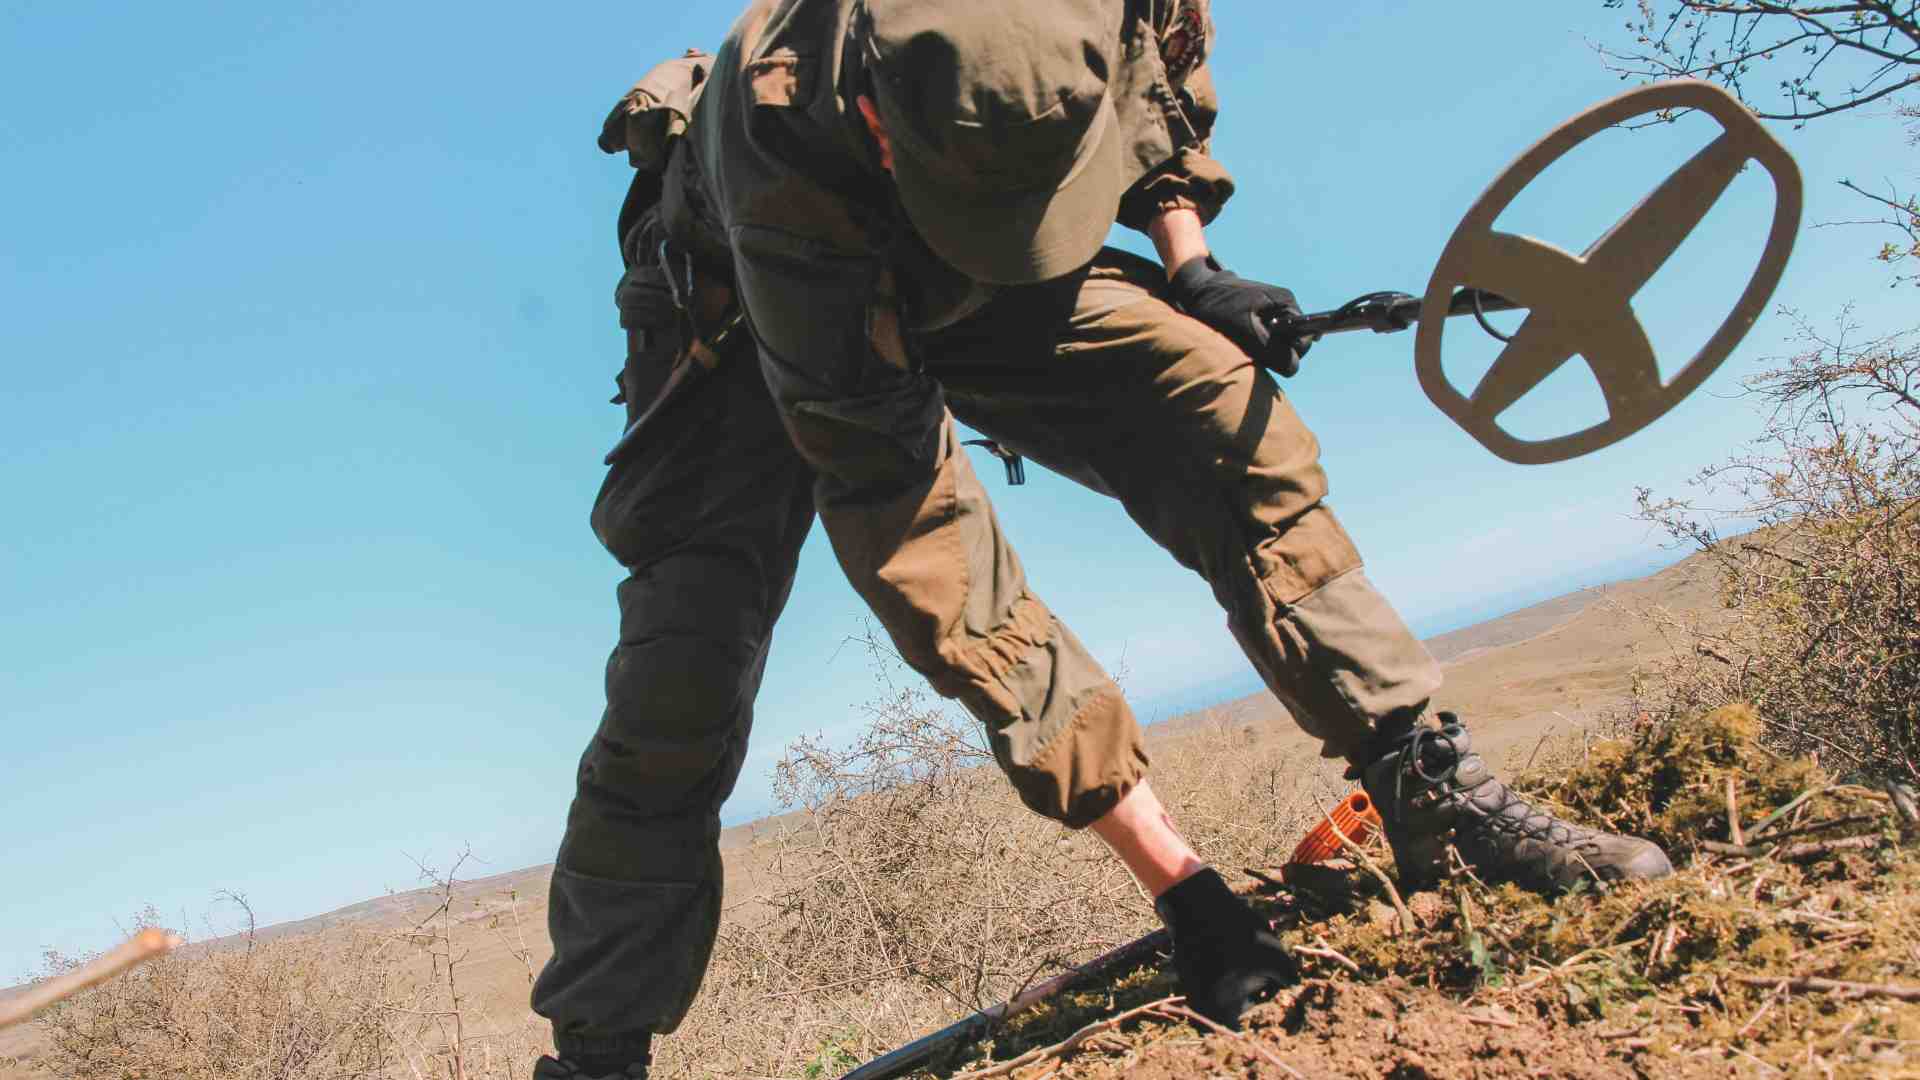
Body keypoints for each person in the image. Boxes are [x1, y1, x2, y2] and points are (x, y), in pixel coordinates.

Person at [530, 2, 1674, 1076]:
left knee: (1207, 403)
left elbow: (1158, 74)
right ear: (880, 117)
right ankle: (599, 1052)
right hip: (739, 303)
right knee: (683, 672)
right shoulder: (786, 138)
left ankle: (1425, 783)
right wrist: (1184, 888)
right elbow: (927, 541)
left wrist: (1193, 265)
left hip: (977, 218)